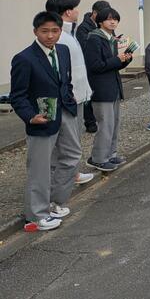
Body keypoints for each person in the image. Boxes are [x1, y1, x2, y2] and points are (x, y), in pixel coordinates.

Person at [10, 12, 78, 231]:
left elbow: (65, 81)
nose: (50, 36)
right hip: (41, 119)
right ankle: (37, 215)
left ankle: (54, 201)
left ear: (60, 31)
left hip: (65, 112)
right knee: (39, 168)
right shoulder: (24, 58)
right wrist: (31, 116)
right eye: (44, 31)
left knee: (72, 156)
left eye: (54, 31)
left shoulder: (63, 51)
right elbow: (17, 96)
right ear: (35, 32)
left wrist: (69, 98)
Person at [45, 0, 94, 187]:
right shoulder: (59, 36)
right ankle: (59, 180)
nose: (78, 11)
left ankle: (71, 174)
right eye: (75, 8)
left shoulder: (69, 32)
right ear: (67, 11)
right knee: (64, 140)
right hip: (68, 97)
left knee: (73, 138)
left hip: (78, 94)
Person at [85, 8, 133, 172]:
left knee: (114, 124)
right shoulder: (94, 39)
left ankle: (111, 154)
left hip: (113, 87)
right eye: (109, 19)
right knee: (105, 125)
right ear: (100, 21)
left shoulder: (111, 39)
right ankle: (98, 159)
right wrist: (117, 60)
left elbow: (113, 65)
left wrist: (125, 60)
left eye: (115, 19)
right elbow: (95, 66)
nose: (113, 22)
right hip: (101, 88)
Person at [76, 0, 110, 134]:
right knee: (88, 94)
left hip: (104, 64)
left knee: (100, 93)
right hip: (88, 66)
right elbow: (85, 48)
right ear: (94, 13)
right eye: (103, 16)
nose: (106, 19)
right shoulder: (83, 28)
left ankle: (100, 118)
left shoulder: (105, 25)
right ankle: (90, 121)